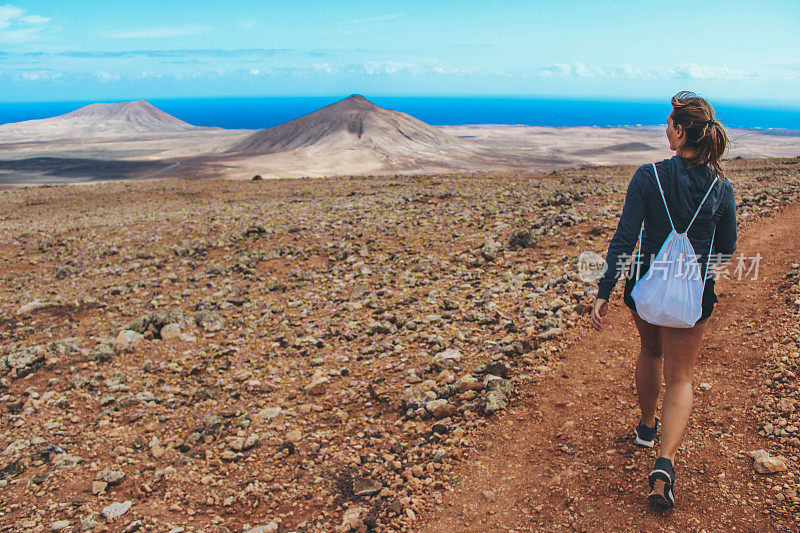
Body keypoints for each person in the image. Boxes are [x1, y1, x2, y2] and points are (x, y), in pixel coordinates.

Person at [589, 91, 737, 509]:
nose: (664, 129)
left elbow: (624, 239)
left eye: (668, 124)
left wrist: (603, 292)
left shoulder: (647, 176)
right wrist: (696, 278)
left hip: (644, 289)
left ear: (681, 130)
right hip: (693, 295)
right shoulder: (721, 188)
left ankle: (646, 426)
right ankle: (664, 465)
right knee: (682, 377)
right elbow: (725, 248)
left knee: (650, 352)